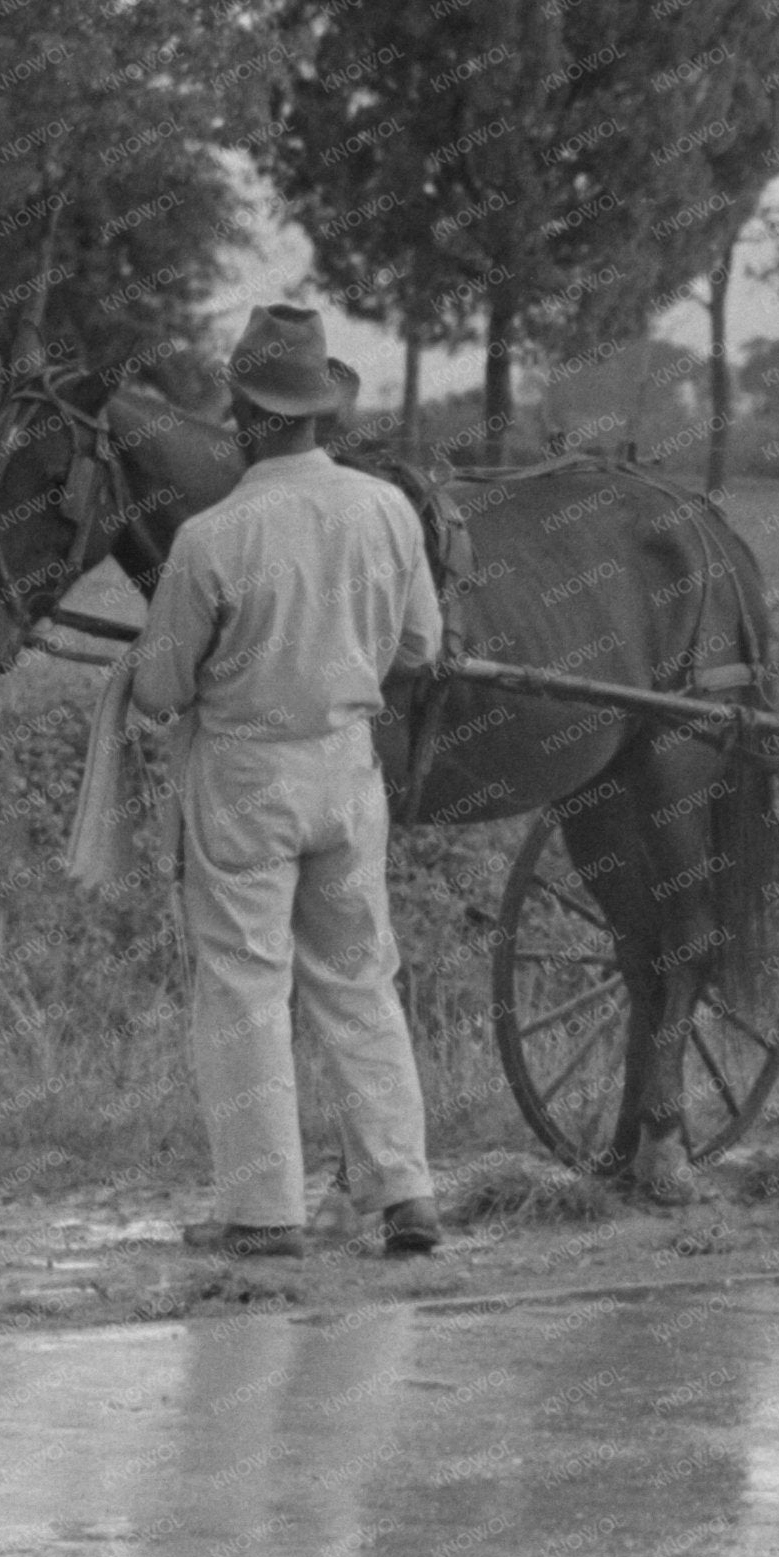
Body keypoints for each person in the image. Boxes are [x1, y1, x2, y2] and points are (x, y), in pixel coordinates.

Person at [125, 306, 444, 1260]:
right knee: (360, 979)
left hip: (245, 777)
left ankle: (264, 1210)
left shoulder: (210, 536)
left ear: (242, 411)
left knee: (244, 984)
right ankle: (406, 1193)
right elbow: (423, 645)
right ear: (320, 409)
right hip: (348, 767)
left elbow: (160, 686)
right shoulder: (388, 509)